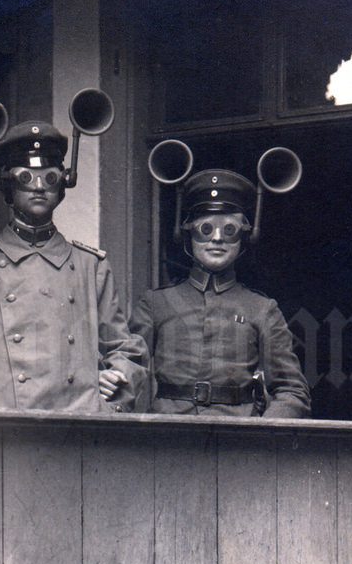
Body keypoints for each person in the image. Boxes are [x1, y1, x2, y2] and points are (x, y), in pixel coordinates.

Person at [0, 120, 148, 411]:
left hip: (75, 425)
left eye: (50, 177)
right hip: (1, 429)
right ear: (8, 186)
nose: (39, 187)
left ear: (62, 185)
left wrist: (116, 385)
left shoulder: (90, 266)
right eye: (26, 177)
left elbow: (126, 348)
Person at [129, 168, 311, 417]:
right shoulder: (155, 304)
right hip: (167, 439)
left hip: (236, 442)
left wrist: (261, 432)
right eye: (206, 229)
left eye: (229, 230)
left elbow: (292, 391)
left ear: (245, 237)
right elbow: (126, 369)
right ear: (188, 234)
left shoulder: (262, 309)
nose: (216, 239)